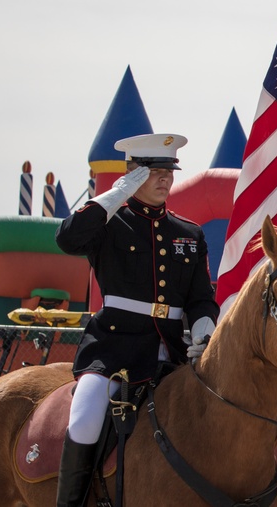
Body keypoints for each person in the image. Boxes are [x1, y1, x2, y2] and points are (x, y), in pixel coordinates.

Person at [54, 134, 218, 506]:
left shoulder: (189, 234)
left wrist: (205, 332)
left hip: (169, 351)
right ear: (131, 175)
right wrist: (113, 197)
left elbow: (201, 299)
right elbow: (67, 238)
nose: (165, 179)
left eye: (169, 172)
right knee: (83, 421)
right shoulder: (109, 223)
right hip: (113, 351)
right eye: (153, 172)